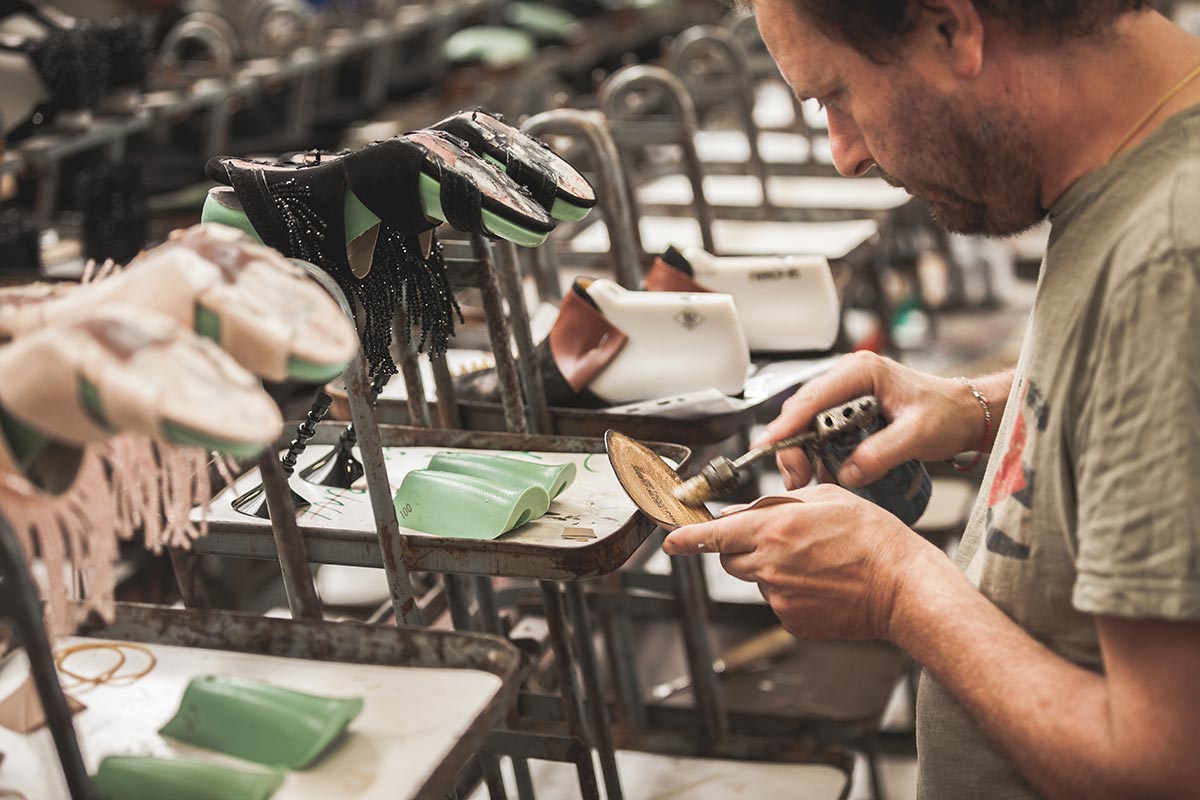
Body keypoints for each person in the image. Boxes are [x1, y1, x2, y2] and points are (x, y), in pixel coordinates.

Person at [661, 1, 1200, 797]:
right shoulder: (1144, 177)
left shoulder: (1171, 260)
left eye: (837, 94)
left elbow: (1159, 765)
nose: (844, 153)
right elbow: (1151, 394)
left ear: (953, 28)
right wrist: (980, 408)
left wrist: (896, 586)